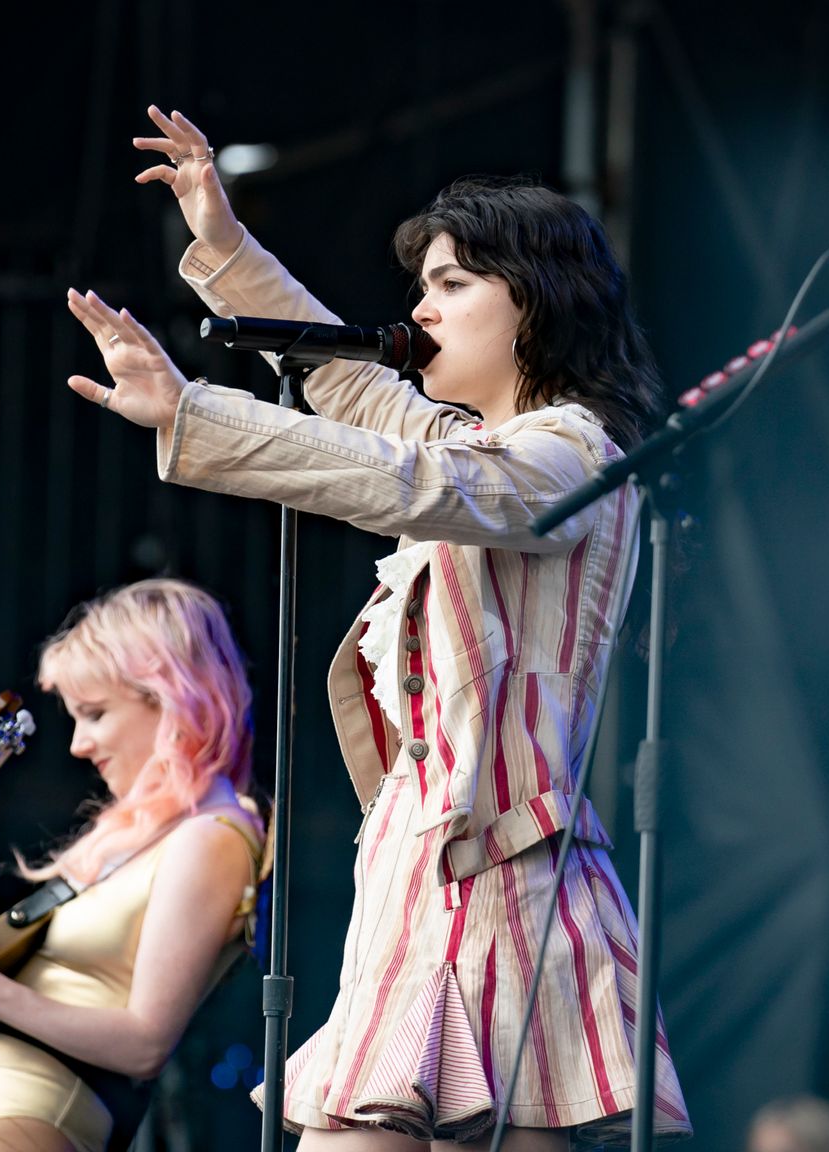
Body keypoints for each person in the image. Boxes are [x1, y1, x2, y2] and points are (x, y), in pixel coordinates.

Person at [59, 105, 690, 1150]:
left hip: (510, 886)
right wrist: (221, 246)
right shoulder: (486, 447)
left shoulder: (571, 454)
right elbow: (357, 393)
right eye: (419, 286)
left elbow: (410, 476)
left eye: (450, 284)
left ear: (534, 303)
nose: (420, 308)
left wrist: (191, 414)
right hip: (416, 879)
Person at [0, 578, 267, 1152]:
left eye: (95, 714)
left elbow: (144, 1044)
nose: (77, 744)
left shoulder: (211, 837)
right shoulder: (149, 836)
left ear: (169, 699)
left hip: (23, 1118)